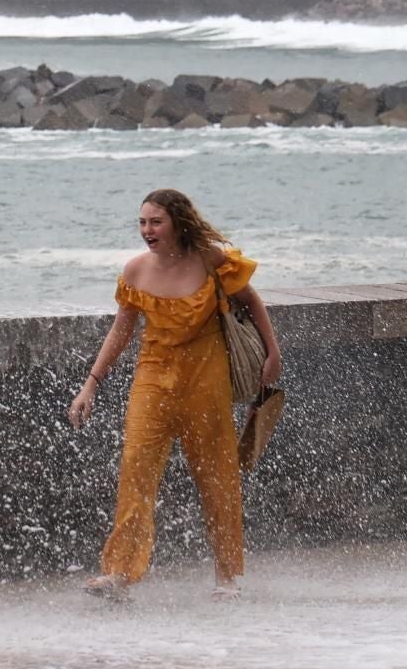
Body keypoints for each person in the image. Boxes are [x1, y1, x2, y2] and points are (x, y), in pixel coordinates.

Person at [68, 189, 282, 600]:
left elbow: (250, 300)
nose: (147, 230)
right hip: (152, 379)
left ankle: (226, 575)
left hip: (206, 377)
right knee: (136, 469)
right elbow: (121, 330)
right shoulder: (135, 271)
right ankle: (119, 574)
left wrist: (272, 352)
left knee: (217, 474)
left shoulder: (211, 260)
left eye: (156, 222)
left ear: (177, 223)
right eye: (143, 222)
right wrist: (91, 382)